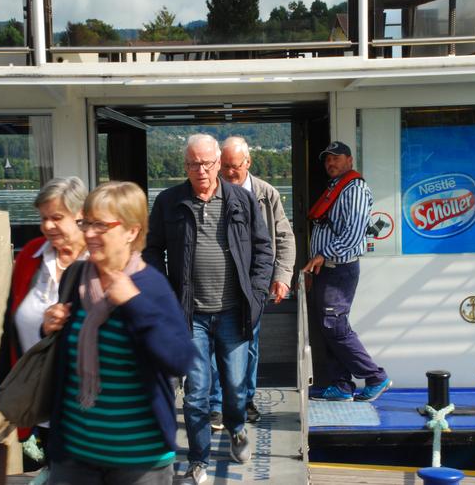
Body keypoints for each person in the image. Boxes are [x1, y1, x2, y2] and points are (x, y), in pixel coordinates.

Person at [42, 181, 194, 485]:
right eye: (86, 223)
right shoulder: (75, 278)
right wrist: (48, 326)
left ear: (131, 231)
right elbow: (64, 355)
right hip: (74, 456)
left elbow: (181, 359)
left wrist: (135, 304)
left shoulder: (150, 286)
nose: (89, 233)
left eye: (101, 225)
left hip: (139, 462)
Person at [143, 134, 273, 484]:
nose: (200, 170)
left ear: (218, 163)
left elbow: (264, 249)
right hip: (190, 316)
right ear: (184, 165)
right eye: (192, 164)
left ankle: (236, 427)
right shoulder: (169, 201)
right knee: (197, 393)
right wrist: (164, 294)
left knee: (234, 385)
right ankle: (197, 460)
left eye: (206, 163)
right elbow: (151, 250)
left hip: (234, 311)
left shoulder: (242, 200)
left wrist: (257, 293)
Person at [0, 176, 89, 477]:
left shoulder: (98, 259)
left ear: (80, 214)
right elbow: (8, 327)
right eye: (43, 218)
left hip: (87, 407)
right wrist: (1, 386)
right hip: (42, 404)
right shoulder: (31, 255)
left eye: (56, 218)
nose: (47, 226)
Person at [208, 136, 295, 429]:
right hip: (216, 284)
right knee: (214, 347)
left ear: (248, 163)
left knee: (250, 345)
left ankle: (245, 400)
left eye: (235, 166)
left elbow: (284, 237)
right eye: (225, 166)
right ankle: (216, 405)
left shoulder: (266, 194)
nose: (229, 172)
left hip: (252, 285)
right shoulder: (209, 192)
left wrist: (281, 276)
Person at [303, 141, 391, 402]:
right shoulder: (337, 187)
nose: (331, 163)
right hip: (327, 269)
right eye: (327, 159)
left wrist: (322, 255)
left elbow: (353, 235)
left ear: (349, 160)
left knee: (335, 325)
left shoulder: (355, 189)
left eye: (336, 158)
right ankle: (341, 385)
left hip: (339, 269)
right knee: (329, 326)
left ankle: (375, 377)